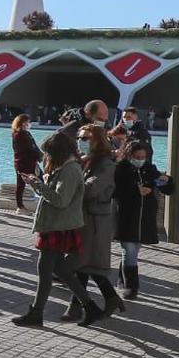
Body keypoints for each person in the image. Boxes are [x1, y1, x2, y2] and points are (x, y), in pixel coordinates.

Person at [10, 131, 102, 327]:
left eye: (49, 153)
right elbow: (54, 195)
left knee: (45, 270)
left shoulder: (69, 170)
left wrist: (37, 183)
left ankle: (37, 312)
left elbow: (60, 200)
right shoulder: (66, 167)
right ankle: (90, 306)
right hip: (58, 225)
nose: (47, 158)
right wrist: (37, 183)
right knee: (61, 271)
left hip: (58, 226)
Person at [74, 122, 126, 316]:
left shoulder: (104, 163)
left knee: (83, 264)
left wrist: (70, 178)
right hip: (84, 219)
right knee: (85, 266)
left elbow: (90, 190)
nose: (81, 142)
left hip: (95, 221)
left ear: (97, 141)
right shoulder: (84, 160)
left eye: (85, 138)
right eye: (79, 138)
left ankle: (77, 307)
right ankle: (109, 299)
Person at [113, 139, 169, 300]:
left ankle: (122, 280)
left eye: (142, 156)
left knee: (133, 250)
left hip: (145, 217)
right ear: (129, 155)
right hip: (127, 216)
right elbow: (115, 191)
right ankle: (132, 286)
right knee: (129, 250)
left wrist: (164, 182)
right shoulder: (121, 169)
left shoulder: (149, 169)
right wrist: (135, 190)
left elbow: (164, 186)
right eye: (137, 156)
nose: (140, 159)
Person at [11, 115, 42, 211]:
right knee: (40, 181)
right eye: (29, 122)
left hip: (25, 163)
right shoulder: (21, 134)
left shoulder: (22, 134)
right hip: (25, 164)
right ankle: (20, 207)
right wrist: (40, 156)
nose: (30, 124)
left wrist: (40, 155)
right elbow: (30, 148)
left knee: (21, 185)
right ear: (24, 123)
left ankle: (20, 206)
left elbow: (33, 147)